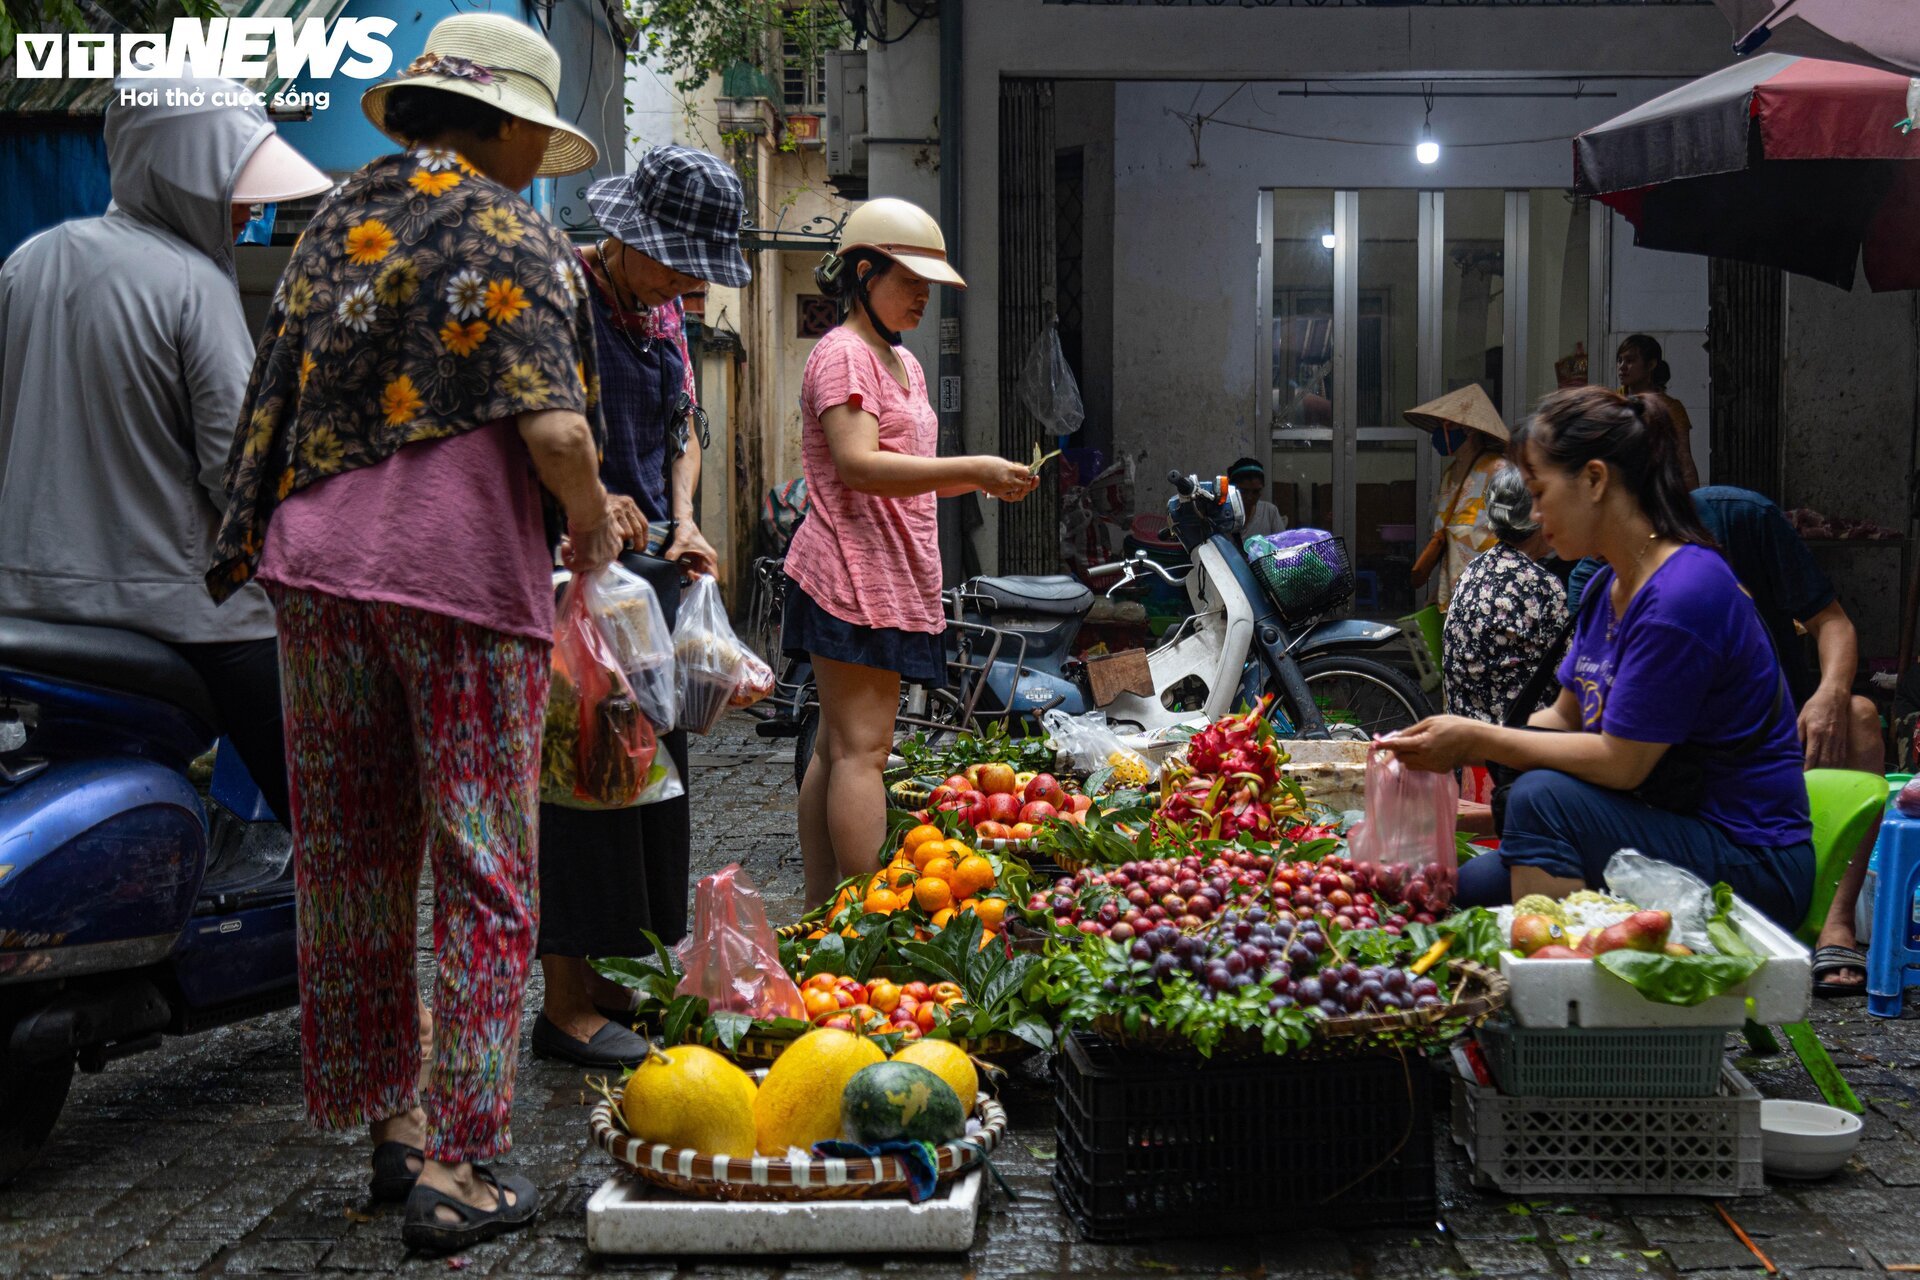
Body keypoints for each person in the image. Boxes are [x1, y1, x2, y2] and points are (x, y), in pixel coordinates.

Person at [206, 15, 645, 1253]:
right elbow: (557, 436)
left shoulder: (336, 220)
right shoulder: (516, 231)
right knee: (484, 862)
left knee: (352, 855)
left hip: (319, 574)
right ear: (507, 122)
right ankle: (463, 1160)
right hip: (452, 580)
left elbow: (275, 399)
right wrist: (591, 527)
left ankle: (390, 1118)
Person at [0, 78, 332, 824]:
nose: (250, 210)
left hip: (24, 605)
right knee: (332, 809)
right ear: (187, 171)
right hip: (179, 615)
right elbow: (237, 475)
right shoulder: (194, 283)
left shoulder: (26, 263)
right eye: (235, 184)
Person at [1383, 386, 1814, 930]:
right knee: (1434, 893)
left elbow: (1622, 761)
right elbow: (1563, 717)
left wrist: (1474, 738)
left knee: (1543, 800)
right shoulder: (1606, 584)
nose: (1535, 515)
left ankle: (1556, 988)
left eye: (1540, 493)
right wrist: (1446, 758)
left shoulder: (1682, 594)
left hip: (1749, 857)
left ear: (1594, 480)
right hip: (1657, 822)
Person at [529, 145, 751, 1068]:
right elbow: (536, 428)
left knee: (651, 786)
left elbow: (680, 426)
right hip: (568, 574)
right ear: (624, 235)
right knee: (579, 786)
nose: (686, 277)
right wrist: (591, 502)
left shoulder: (662, 312)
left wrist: (685, 515)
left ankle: (625, 981)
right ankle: (565, 1005)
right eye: (674, 254)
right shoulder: (562, 294)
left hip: (646, 580)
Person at [784, 198, 1039, 907]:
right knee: (862, 752)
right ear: (863, 272)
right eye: (911, 279)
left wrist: (981, 479)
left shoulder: (902, 362)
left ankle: (822, 909)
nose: (924, 294)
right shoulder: (841, 355)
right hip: (848, 575)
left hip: (892, 575)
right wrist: (974, 467)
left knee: (840, 748)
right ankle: (870, 916)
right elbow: (859, 464)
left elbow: (904, 470)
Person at [1441, 464, 1570, 726]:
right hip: (1514, 743)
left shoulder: (1473, 571)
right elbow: (1569, 676)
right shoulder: (1542, 586)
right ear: (1538, 518)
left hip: (1465, 735)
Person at [1404, 384, 1508, 611]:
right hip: (1452, 597)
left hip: (1489, 595)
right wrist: (1438, 591)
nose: (1440, 432)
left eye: (1447, 426)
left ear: (1469, 430)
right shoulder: (1450, 475)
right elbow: (1450, 540)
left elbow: (1516, 536)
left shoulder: (1500, 471)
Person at [1617, 334, 1698, 491]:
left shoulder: (1670, 408)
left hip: (1658, 491)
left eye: (1630, 360)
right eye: (1619, 360)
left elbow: (1684, 460)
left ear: (1651, 365)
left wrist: (1694, 502)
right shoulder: (1613, 403)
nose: (1622, 366)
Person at [1228, 456, 1285, 538]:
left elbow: (1283, 547)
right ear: (1232, 488)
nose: (1250, 497)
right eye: (1243, 491)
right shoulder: (1221, 515)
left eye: (1256, 492)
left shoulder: (1269, 512)